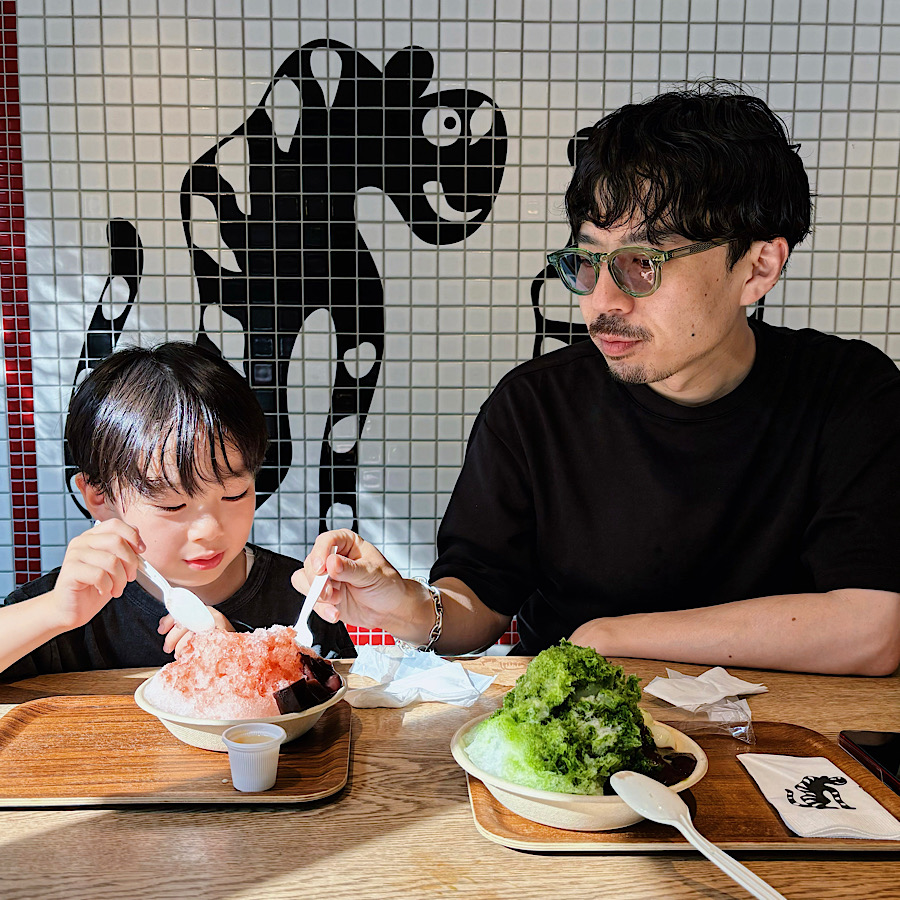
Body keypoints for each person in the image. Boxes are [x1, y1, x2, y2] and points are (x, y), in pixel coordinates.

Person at [293, 81, 900, 676]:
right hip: (567, 738)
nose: (603, 300)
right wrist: (403, 604)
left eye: (645, 262)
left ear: (757, 266)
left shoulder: (850, 394)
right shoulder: (535, 406)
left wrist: (613, 637)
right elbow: (475, 607)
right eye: (588, 260)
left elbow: (873, 629)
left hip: (775, 737)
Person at [0, 342, 354, 678]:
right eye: (172, 504)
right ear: (99, 496)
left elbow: (339, 712)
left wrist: (241, 656)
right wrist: (55, 613)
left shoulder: (303, 598)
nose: (209, 530)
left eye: (234, 494)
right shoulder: (60, 606)